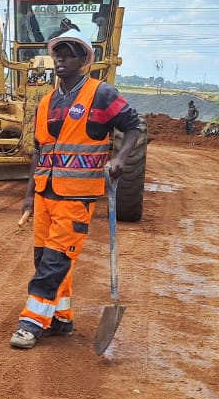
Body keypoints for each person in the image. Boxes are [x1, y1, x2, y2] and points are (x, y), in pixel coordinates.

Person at [11, 35, 140, 349]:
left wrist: (120, 158)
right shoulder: (46, 102)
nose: (61, 60)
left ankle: (31, 322)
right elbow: (40, 152)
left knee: (55, 261)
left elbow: (133, 125)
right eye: (58, 54)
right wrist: (29, 194)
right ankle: (61, 318)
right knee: (46, 259)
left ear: (84, 62)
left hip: (76, 196)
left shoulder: (102, 94)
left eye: (69, 56)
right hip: (45, 194)